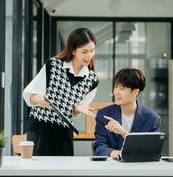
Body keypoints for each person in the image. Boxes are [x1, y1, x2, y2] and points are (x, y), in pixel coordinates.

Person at [23, 28, 98, 156]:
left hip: (64, 134)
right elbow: (29, 94)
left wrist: (78, 108)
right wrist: (40, 100)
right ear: (73, 50)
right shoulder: (53, 66)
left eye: (92, 51)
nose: (89, 56)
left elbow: (74, 112)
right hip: (40, 130)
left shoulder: (92, 80)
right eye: (84, 52)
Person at [94, 68, 161, 159]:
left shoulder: (152, 118)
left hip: (140, 167)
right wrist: (112, 152)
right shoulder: (104, 114)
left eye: (122, 88)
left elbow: (152, 150)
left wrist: (124, 133)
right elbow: (99, 145)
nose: (116, 92)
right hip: (112, 167)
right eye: (116, 87)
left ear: (135, 92)